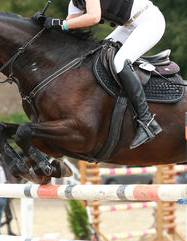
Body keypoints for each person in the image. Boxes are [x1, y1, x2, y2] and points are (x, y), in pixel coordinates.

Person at [32, 0, 165, 149]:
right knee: (99, 54)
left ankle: (147, 121)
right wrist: (44, 25)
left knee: (120, 62)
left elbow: (94, 17)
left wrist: (59, 23)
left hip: (149, 22)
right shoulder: (75, 3)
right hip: (128, 26)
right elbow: (70, 26)